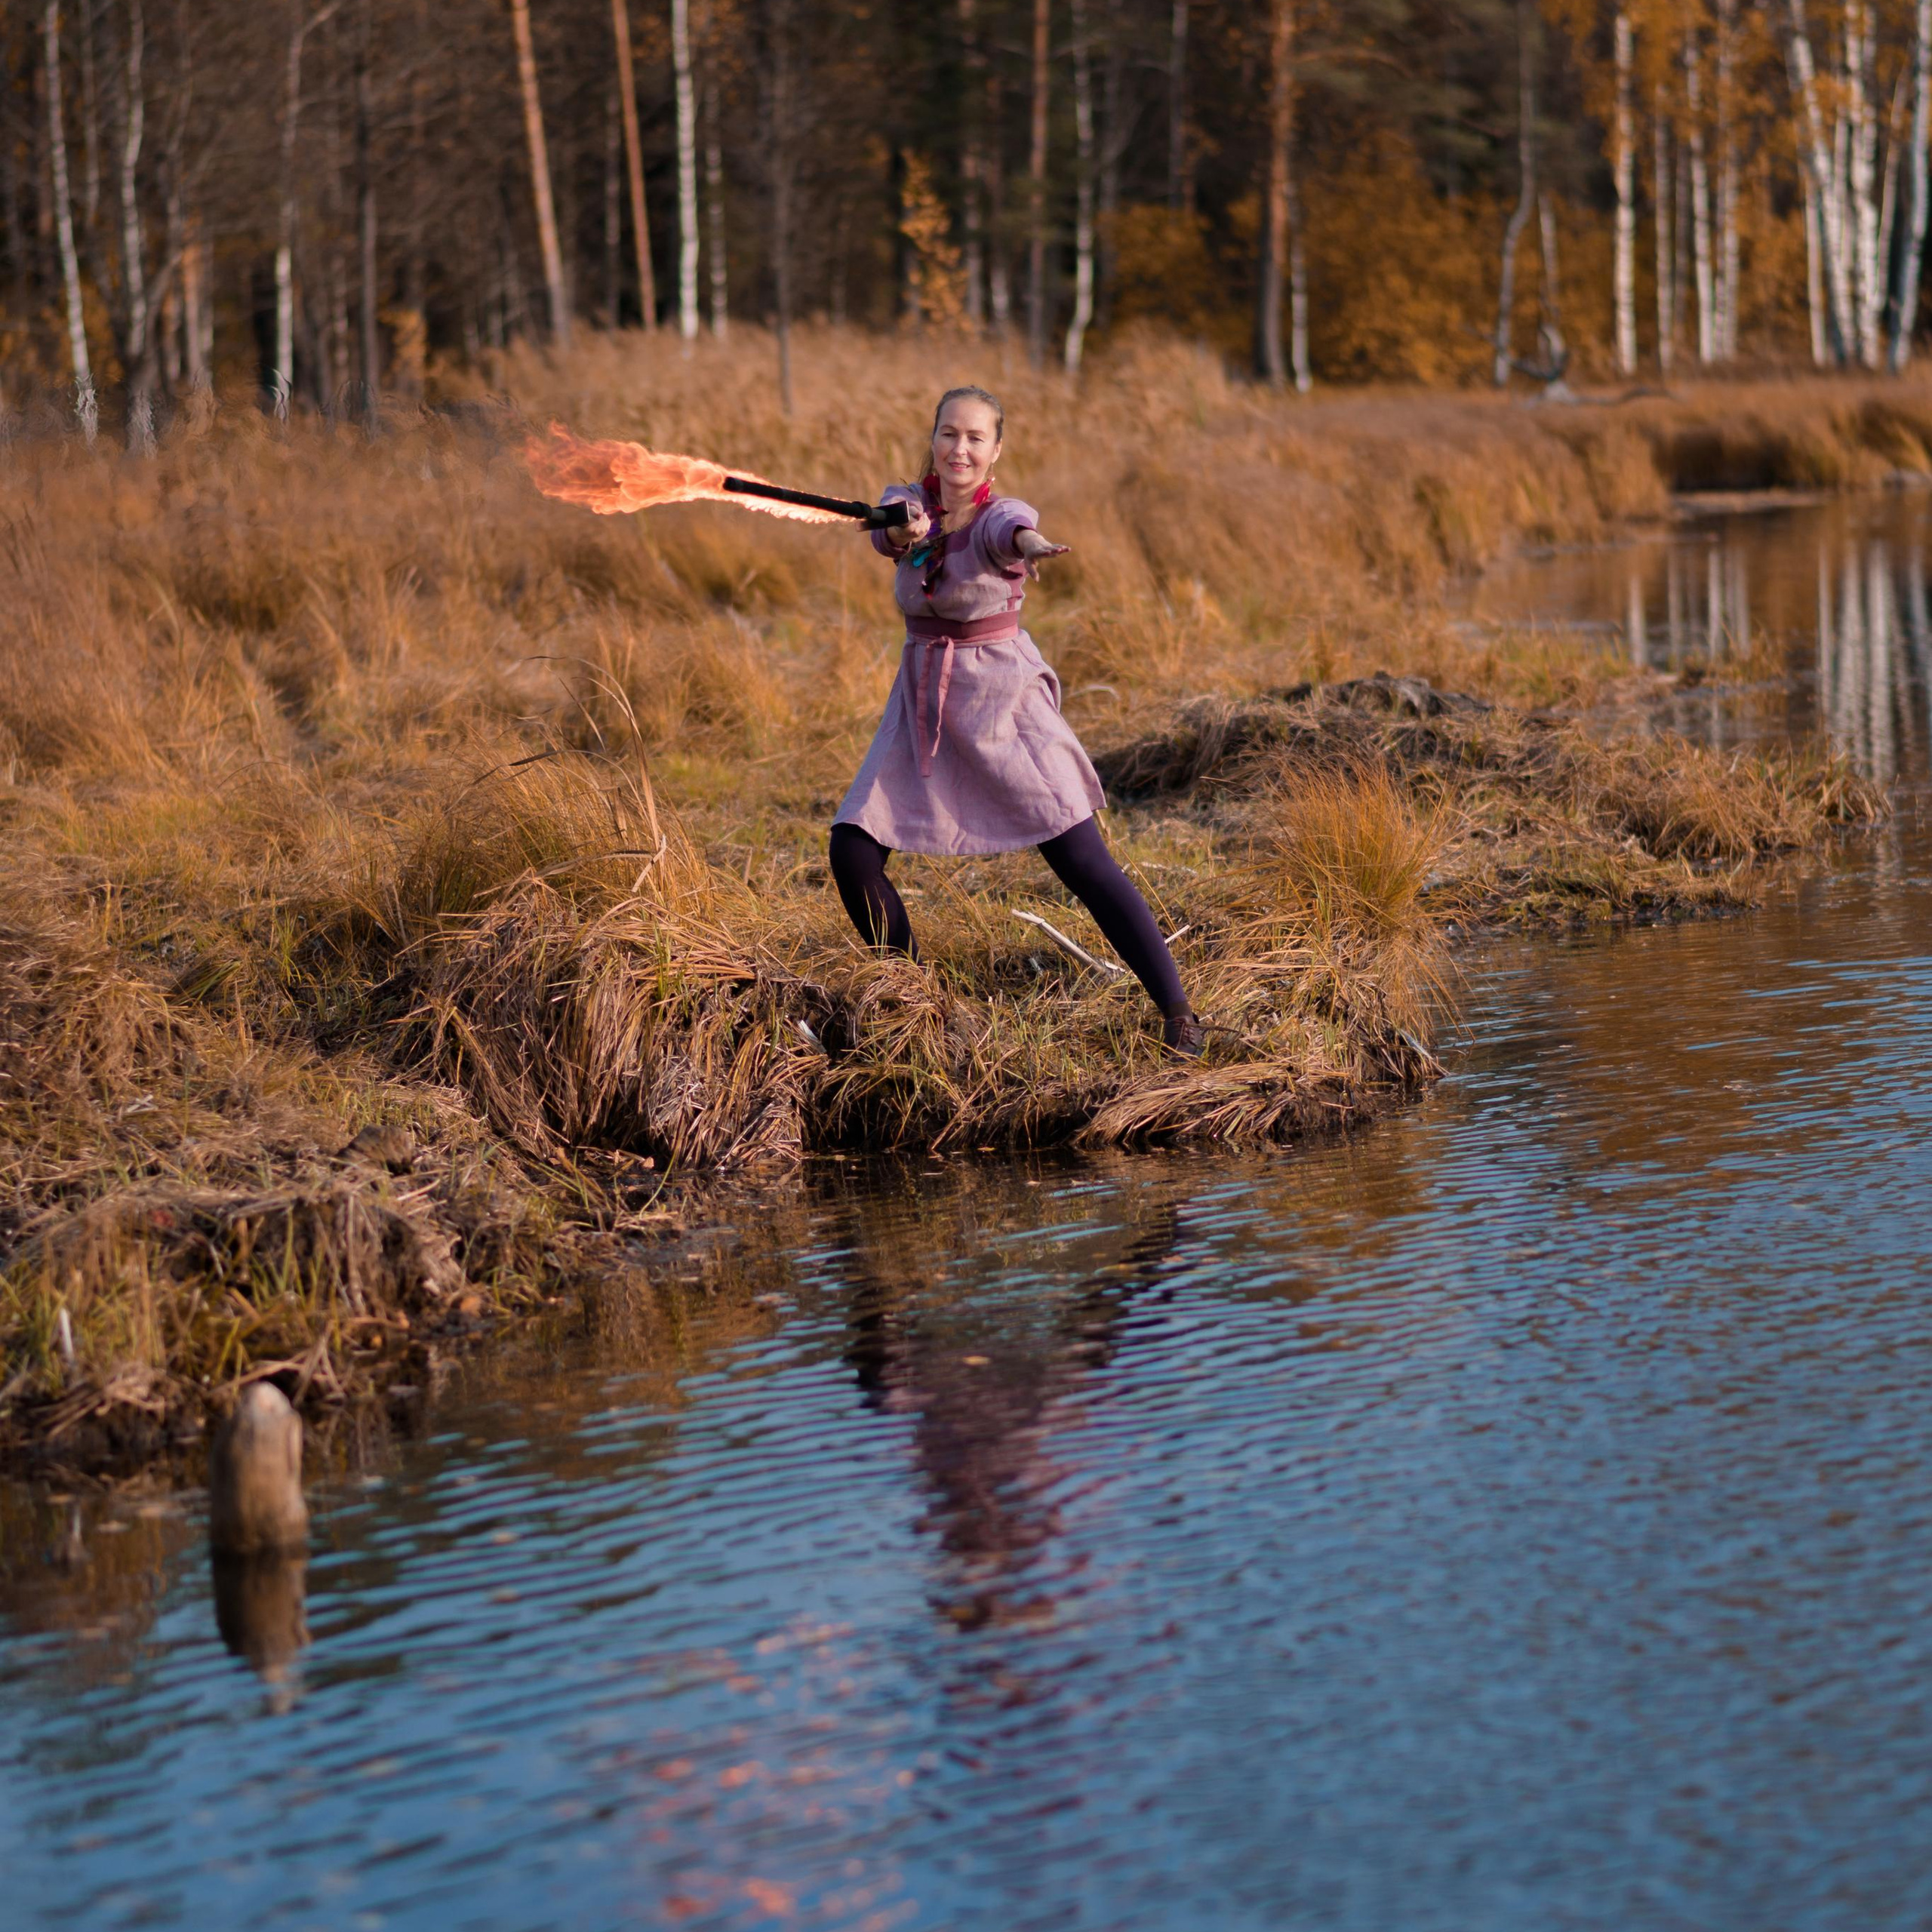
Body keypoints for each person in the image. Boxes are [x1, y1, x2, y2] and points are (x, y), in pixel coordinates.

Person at [830, 386, 1202, 1056]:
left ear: (996, 449)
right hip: (924, 702)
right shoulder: (906, 500)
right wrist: (903, 529)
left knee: (1083, 859)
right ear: (934, 439)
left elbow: (1013, 531)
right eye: (949, 434)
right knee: (852, 850)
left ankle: (1179, 1014)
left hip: (1003, 697)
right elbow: (894, 530)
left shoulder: (1002, 513)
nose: (960, 448)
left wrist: (1035, 544)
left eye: (976, 438)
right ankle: (925, 1009)